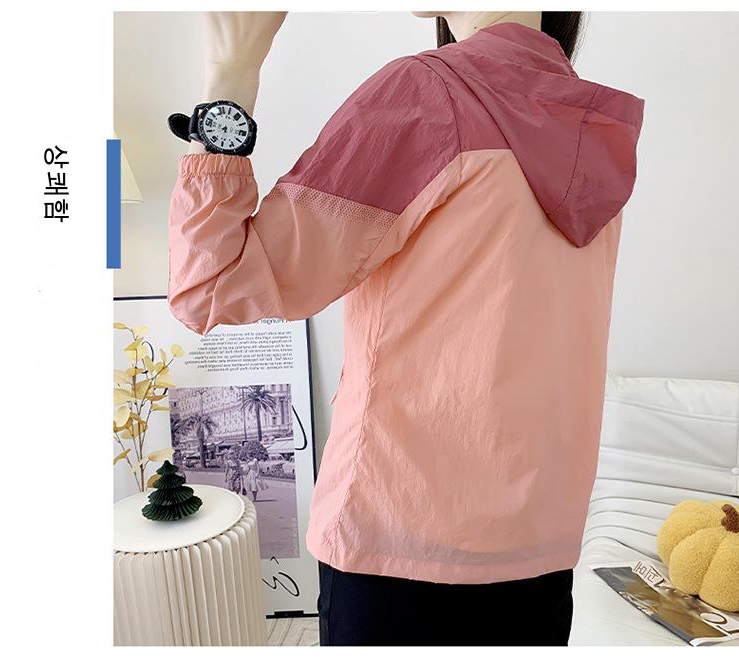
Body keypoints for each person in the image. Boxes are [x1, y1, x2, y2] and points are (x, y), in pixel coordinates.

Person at [166, 11, 644, 645]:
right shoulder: (589, 125)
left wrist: (231, 73)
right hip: (541, 546)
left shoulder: (429, 97)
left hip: (398, 544)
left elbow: (212, 283)